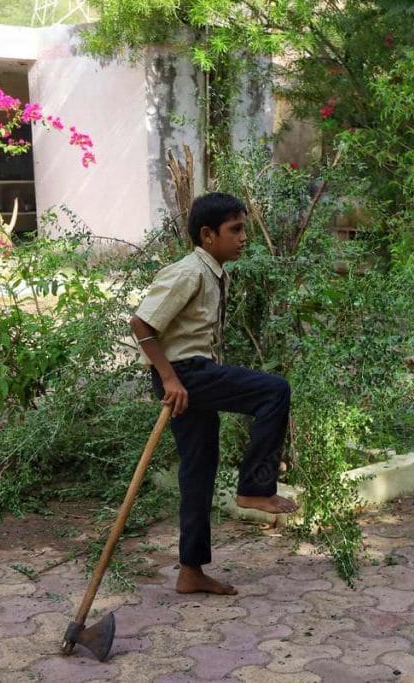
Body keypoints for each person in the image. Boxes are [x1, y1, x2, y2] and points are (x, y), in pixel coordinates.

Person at [130, 192, 297, 594]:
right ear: (208, 235)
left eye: (244, 229)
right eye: (235, 230)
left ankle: (190, 572)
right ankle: (255, 489)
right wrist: (170, 379)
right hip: (185, 375)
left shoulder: (214, 271)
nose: (243, 238)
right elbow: (141, 325)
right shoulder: (189, 272)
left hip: (193, 375)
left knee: (198, 473)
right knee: (274, 391)